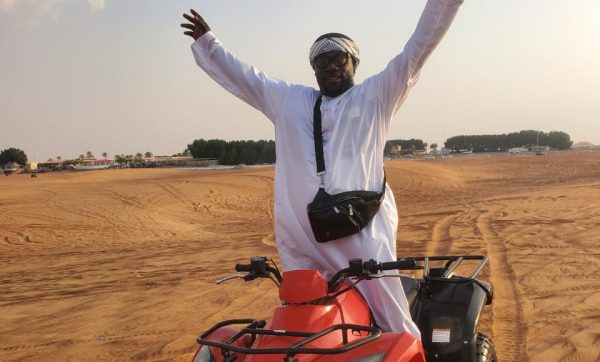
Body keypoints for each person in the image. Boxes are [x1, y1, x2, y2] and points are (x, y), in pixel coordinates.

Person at [181, 1, 463, 338]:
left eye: (338, 58)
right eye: (321, 60)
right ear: (313, 69)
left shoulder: (376, 95)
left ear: (354, 62)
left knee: (391, 319)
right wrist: (209, 43)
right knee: (306, 324)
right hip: (304, 241)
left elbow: (417, 49)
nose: (330, 65)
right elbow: (247, 77)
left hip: (362, 237)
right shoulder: (290, 101)